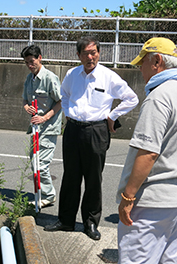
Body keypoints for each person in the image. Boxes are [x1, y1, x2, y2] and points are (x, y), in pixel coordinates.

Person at [116, 37, 177, 264]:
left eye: (142, 63)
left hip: (153, 202)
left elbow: (148, 152)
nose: (140, 70)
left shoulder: (159, 96)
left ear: (156, 61)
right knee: (170, 261)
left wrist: (128, 196)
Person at [44, 36, 139, 241]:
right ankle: (66, 220)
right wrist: (69, 113)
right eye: (86, 53)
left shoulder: (108, 76)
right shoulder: (72, 74)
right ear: (78, 55)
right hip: (73, 130)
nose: (90, 57)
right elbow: (65, 95)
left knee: (93, 179)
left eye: (93, 52)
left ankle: (91, 223)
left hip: (96, 131)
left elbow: (132, 98)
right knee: (70, 177)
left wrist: (112, 116)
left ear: (99, 53)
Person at [21, 45, 63, 208]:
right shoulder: (29, 79)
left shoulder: (50, 78)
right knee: (34, 163)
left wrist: (45, 117)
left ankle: (48, 195)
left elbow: (61, 101)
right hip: (35, 128)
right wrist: (26, 107)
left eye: (32, 61)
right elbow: (25, 100)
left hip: (48, 127)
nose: (30, 65)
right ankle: (42, 193)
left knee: (41, 163)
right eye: (27, 63)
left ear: (40, 58)